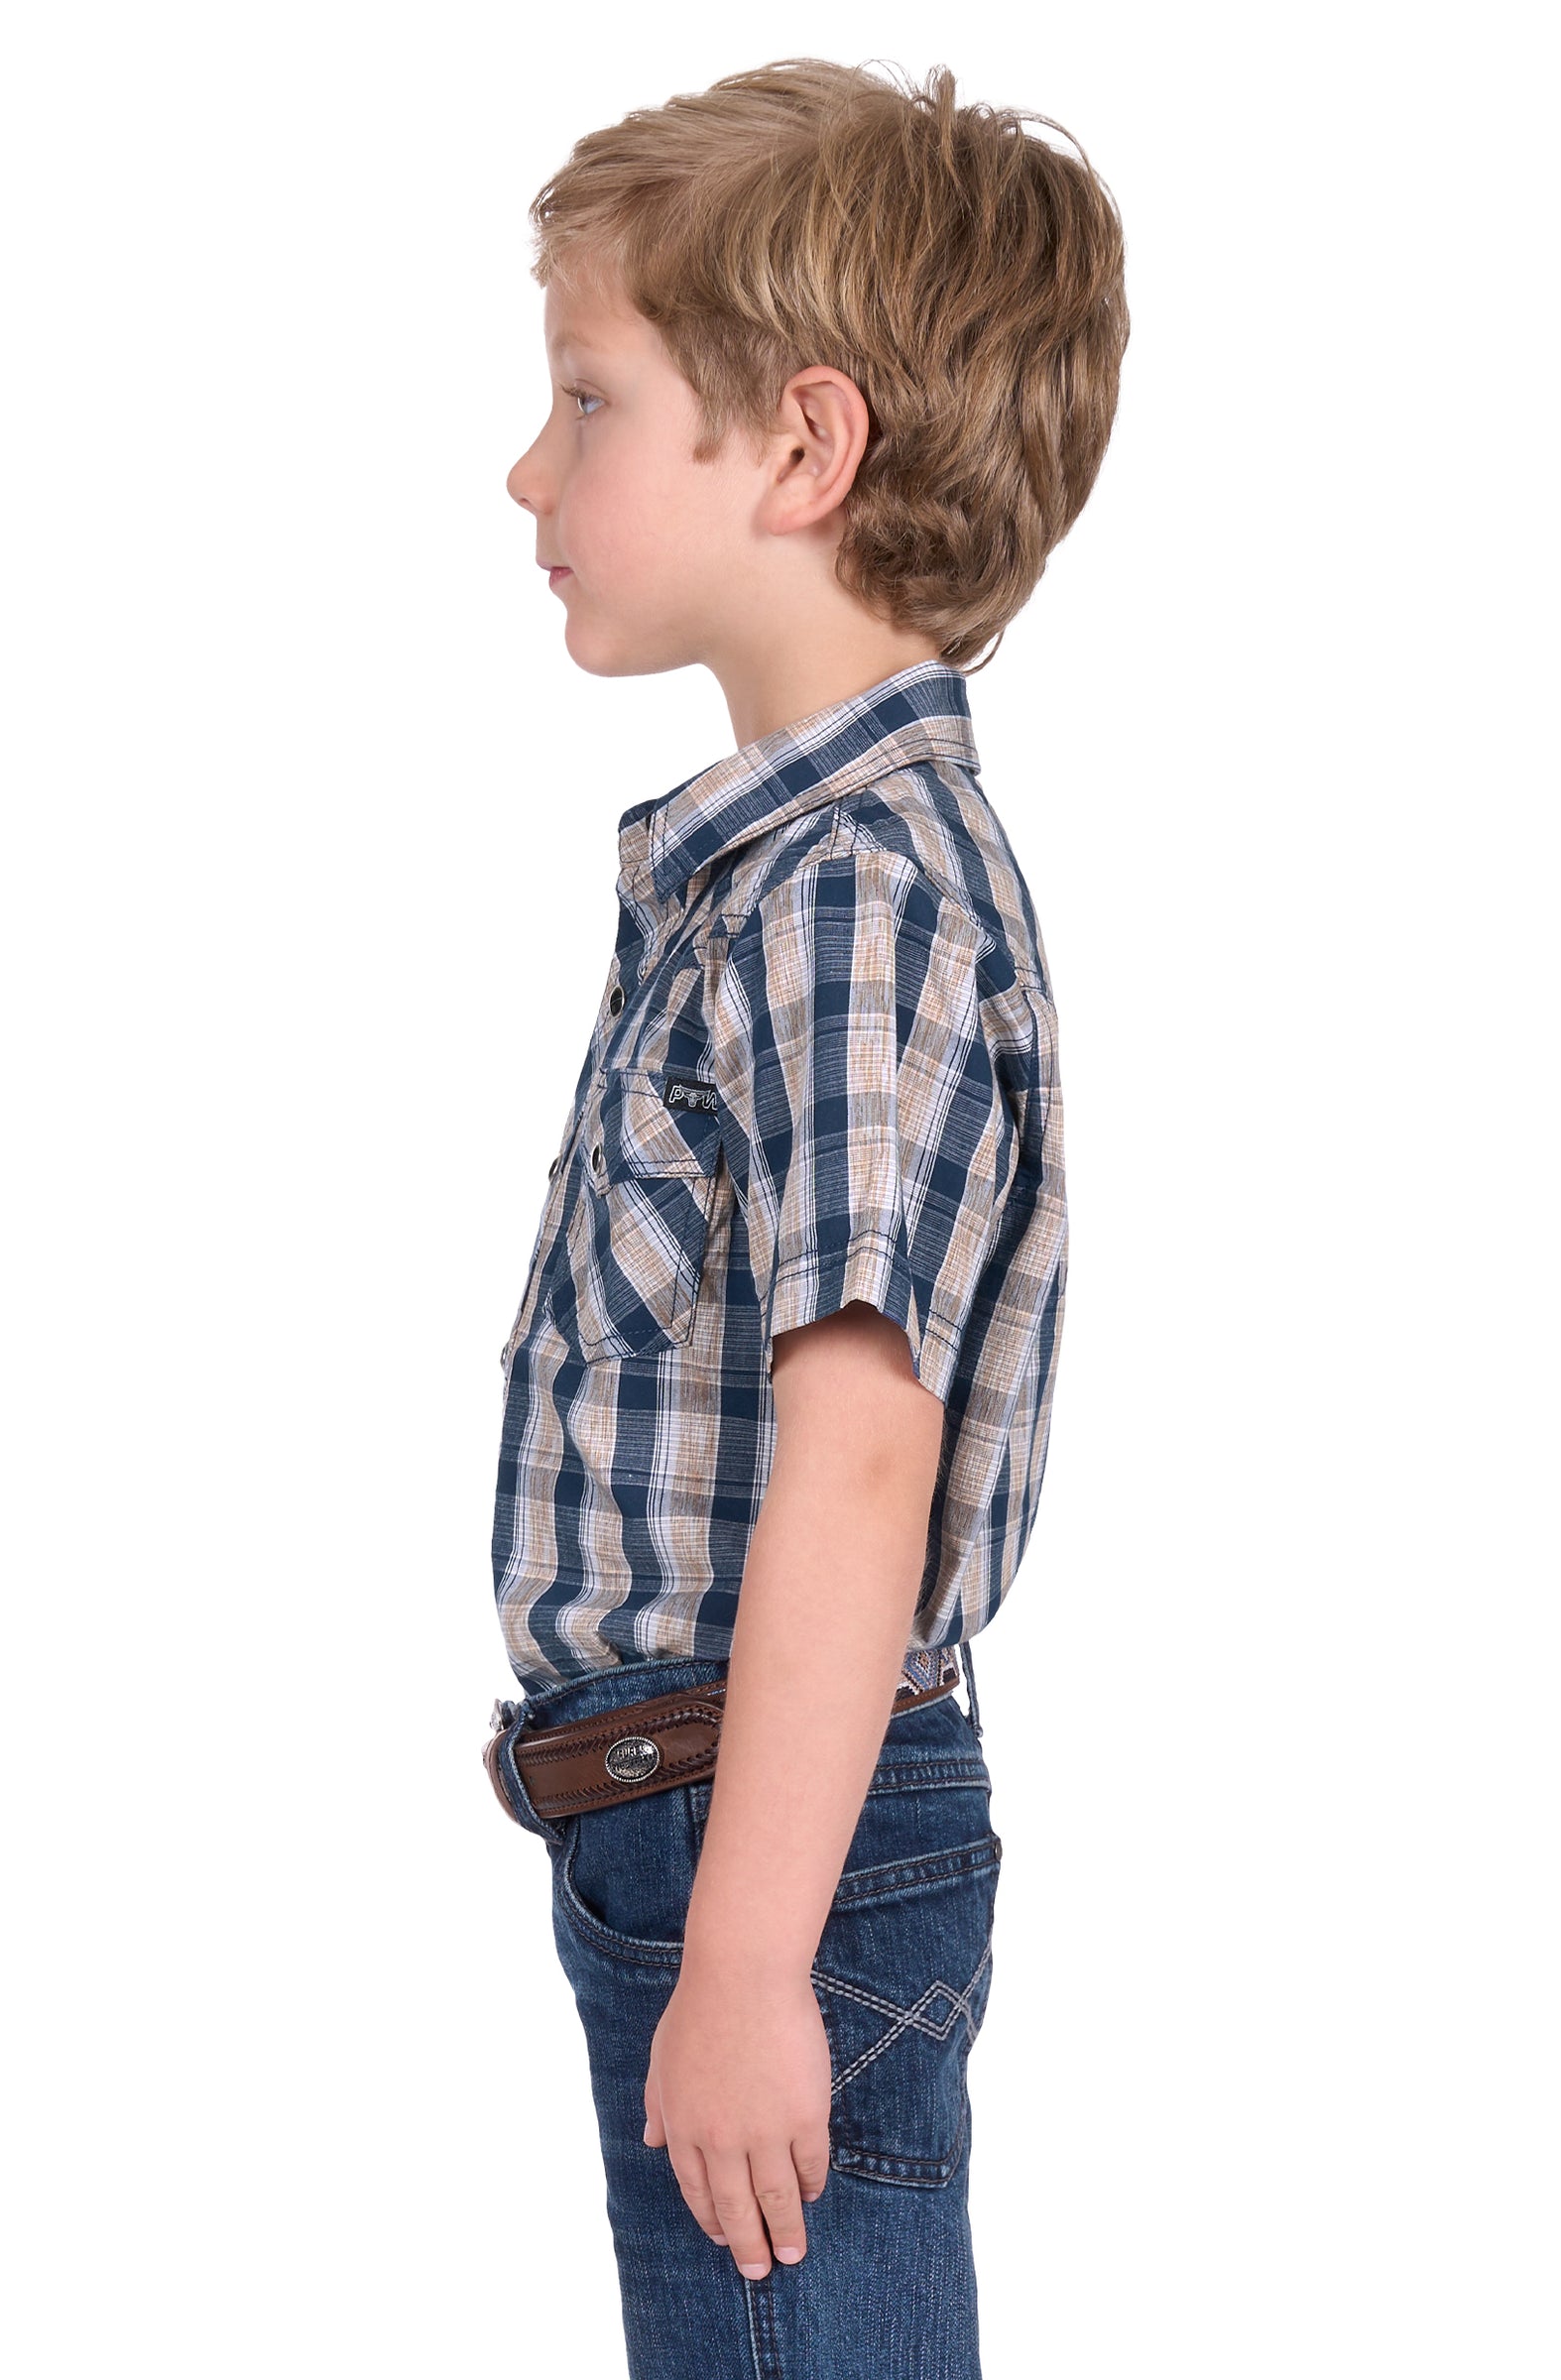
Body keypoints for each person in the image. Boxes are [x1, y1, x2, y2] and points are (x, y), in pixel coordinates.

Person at [483, 56, 1127, 2380]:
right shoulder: (784, 878)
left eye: (586, 401)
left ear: (800, 447)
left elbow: (858, 1448)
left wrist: (751, 1961)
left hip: (770, 1832)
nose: (528, 474)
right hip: (706, 1818)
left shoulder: (853, 899)